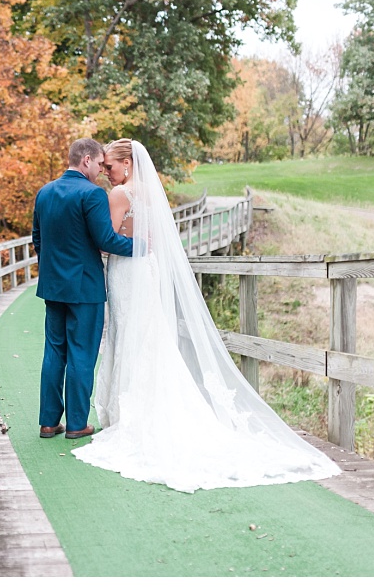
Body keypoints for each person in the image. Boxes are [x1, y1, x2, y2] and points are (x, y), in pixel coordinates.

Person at [72, 139, 341, 492]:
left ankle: (129, 416)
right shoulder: (152, 194)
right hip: (146, 269)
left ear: (128, 163)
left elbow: (107, 239)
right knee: (147, 334)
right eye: (104, 167)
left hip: (128, 271)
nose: (107, 173)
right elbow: (150, 238)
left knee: (131, 334)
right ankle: (143, 408)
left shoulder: (120, 194)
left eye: (110, 166)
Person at [32, 138, 134, 440]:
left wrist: (53, 269)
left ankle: (48, 423)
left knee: (54, 351)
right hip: (85, 287)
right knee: (82, 354)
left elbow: (38, 239)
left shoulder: (45, 192)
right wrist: (140, 247)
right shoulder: (92, 194)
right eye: (99, 164)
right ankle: (77, 424)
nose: (101, 171)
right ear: (86, 160)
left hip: (53, 286)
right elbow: (107, 240)